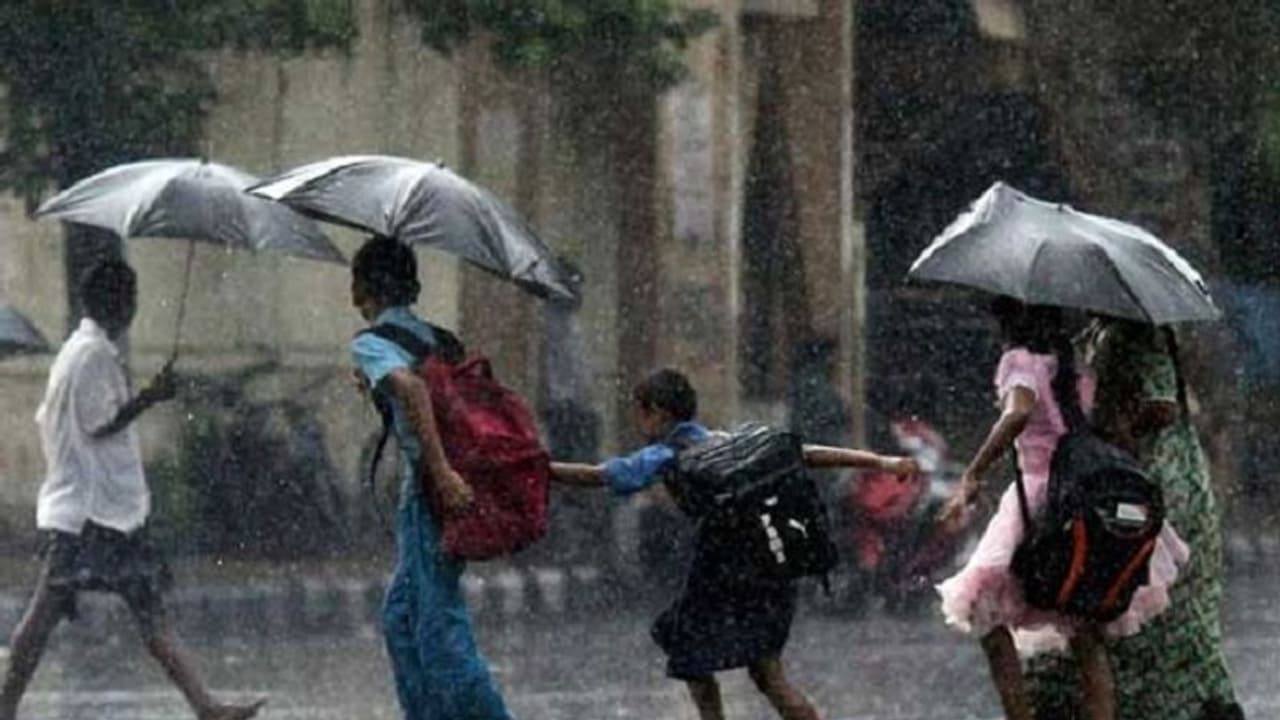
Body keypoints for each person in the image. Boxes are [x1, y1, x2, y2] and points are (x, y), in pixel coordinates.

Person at [550, 368, 917, 720]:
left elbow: (599, 476)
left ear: (657, 413)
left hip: (720, 574)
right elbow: (806, 453)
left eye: (638, 412)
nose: (636, 422)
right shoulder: (728, 441)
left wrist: (539, 468)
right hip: (770, 567)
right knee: (769, 676)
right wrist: (880, 461)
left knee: (691, 657)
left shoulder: (664, 453)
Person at [0, 260, 263, 720]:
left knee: (146, 612)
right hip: (91, 514)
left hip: (102, 511)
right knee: (46, 616)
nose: (134, 308)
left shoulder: (80, 351)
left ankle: (205, 705)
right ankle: (4, 705)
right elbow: (99, 422)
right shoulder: (92, 356)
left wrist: (145, 396)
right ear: (117, 302)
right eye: (131, 298)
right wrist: (151, 397)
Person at [935, 298, 1187, 720]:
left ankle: (1020, 714)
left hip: (1041, 495)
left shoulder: (1019, 361)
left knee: (984, 611)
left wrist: (974, 473)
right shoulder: (1073, 367)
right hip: (1083, 492)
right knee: (1084, 623)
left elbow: (1017, 413)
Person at [1024, 318, 1244, 720]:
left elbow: (1162, 405)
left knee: (1149, 605)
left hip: (1152, 487)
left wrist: (1116, 425)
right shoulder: (1099, 333)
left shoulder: (1135, 334)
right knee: (1136, 605)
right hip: (1130, 484)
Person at [348, 235, 512, 720]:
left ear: (362, 289)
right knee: (401, 619)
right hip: (450, 482)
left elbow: (416, 391)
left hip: (430, 491)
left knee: (440, 630)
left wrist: (440, 473)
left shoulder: (373, 342)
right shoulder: (439, 339)